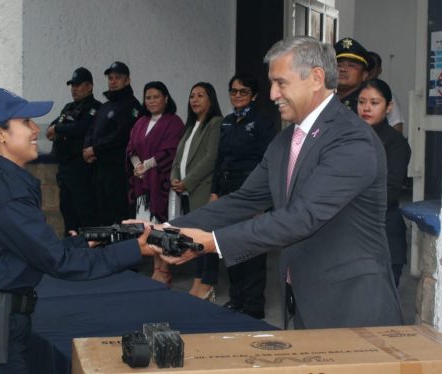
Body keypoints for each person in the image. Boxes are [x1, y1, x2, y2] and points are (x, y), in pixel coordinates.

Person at [161, 36, 404, 329]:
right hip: (299, 297)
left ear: (316, 78)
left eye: (281, 83)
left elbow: (302, 217)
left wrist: (212, 243)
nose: (273, 94)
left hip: (350, 305)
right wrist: (168, 229)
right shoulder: (284, 141)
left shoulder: (351, 138)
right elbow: (244, 200)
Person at [0, 87, 157, 372]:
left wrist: (90, 240)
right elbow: (59, 262)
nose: (36, 129)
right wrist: (135, 249)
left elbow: (29, 251)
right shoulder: (6, 193)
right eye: (26, 122)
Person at [211, 73, 276, 319]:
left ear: (254, 95)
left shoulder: (262, 122)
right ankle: (237, 298)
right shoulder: (227, 122)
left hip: (251, 192)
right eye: (233, 91)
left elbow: (267, 162)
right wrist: (215, 191)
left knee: (253, 248)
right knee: (230, 245)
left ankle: (253, 304)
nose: (237, 96)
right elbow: (219, 160)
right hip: (228, 192)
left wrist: (261, 200)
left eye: (243, 91)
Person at [126, 81, 184, 284]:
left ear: (166, 98)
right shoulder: (141, 121)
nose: (151, 101)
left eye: (156, 96)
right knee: (149, 228)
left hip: (162, 185)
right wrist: (136, 165)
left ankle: (165, 270)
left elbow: (171, 150)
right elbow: (131, 147)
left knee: (163, 227)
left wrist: (148, 165)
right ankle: (156, 268)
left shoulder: (173, 122)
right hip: (143, 185)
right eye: (148, 97)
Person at [169, 82, 222, 300]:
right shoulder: (190, 127)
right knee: (193, 239)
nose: (195, 99)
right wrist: (174, 177)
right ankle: (198, 281)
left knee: (205, 239)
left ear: (211, 100)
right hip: (187, 192)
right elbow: (178, 158)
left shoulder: (215, 123)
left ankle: (206, 283)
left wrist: (187, 181)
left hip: (203, 189)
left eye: (201, 95)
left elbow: (211, 158)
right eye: (192, 96)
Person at [358, 78, 411, 287]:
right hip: (351, 229)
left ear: (388, 107)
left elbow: (391, 188)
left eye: (374, 102)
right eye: (362, 102)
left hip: (383, 226)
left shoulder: (395, 143)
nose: (366, 108)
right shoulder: (348, 137)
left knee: (382, 293)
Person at [83, 61, 142, 225]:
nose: (113, 81)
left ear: (127, 81)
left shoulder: (132, 105)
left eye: (118, 78)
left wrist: (95, 149)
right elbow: (91, 129)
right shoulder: (106, 106)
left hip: (118, 171)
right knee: (103, 216)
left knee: (119, 217)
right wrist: (87, 148)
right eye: (110, 78)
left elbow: (121, 135)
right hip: (99, 169)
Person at [46, 67, 100, 233]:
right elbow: (51, 128)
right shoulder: (68, 107)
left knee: (85, 213)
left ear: (89, 86)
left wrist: (60, 129)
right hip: (65, 168)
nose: (74, 89)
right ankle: (72, 248)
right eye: (72, 85)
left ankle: (90, 250)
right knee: (67, 211)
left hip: (81, 168)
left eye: (78, 85)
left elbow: (81, 128)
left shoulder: (95, 107)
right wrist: (58, 129)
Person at [366, 51, 406, 134]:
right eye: (366, 66)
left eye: (372, 66)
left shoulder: (385, 93)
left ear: (379, 70)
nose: (369, 70)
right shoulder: (352, 90)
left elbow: (396, 124)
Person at [334, 37, 372, 113]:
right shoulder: (322, 102)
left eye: (351, 65)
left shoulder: (368, 107)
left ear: (364, 75)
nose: (343, 69)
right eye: (338, 65)